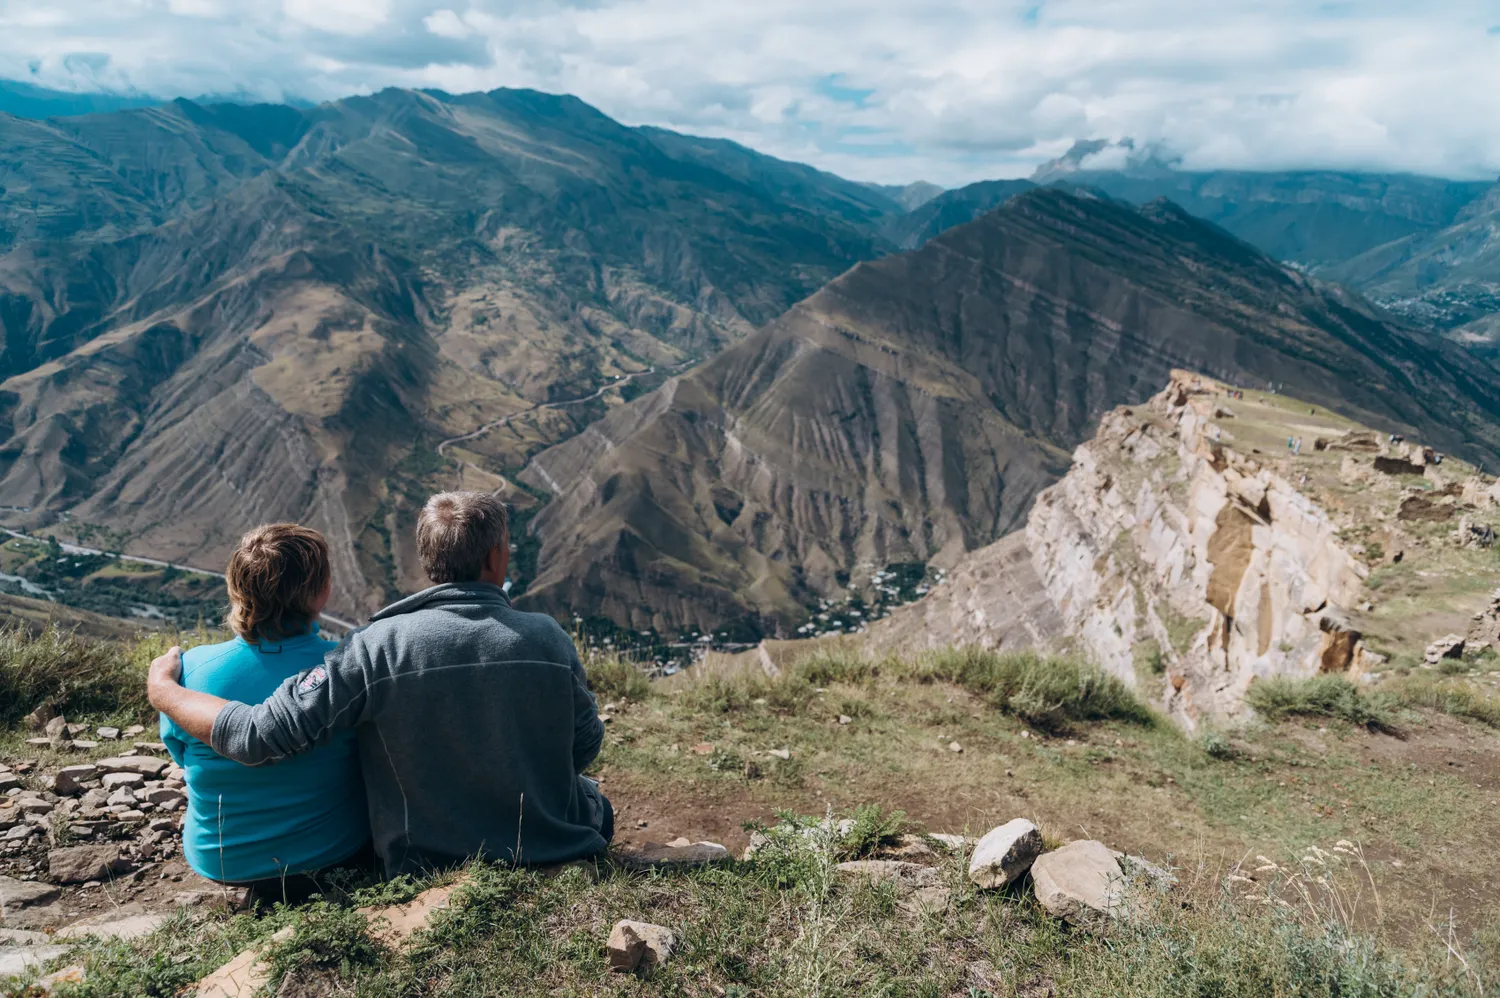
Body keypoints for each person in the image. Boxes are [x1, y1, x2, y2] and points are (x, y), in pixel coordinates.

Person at [149, 492, 610, 877]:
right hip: (551, 841)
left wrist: (166, 693)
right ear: (496, 556)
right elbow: (583, 746)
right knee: (595, 802)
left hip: (425, 857)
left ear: (429, 560)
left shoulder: (372, 648)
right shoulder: (548, 636)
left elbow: (259, 736)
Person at [160, 524, 370, 905]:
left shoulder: (188, 671)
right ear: (322, 593)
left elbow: (181, 755)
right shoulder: (348, 665)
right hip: (330, 850)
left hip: (221, 859)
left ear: (236, 590)